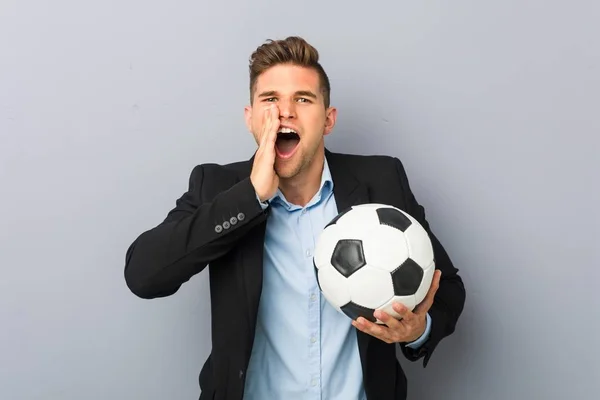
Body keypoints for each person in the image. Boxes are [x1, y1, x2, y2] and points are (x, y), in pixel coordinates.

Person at [124, 36, 466, 400]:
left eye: (303, 99)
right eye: (270, 100)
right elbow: (144, 275)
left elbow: (447, 290)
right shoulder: (216, 187)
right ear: (250, 118)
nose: (285, 112)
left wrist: (416, 330)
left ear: (328, 119)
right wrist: (250, 196)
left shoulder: (382, 181)